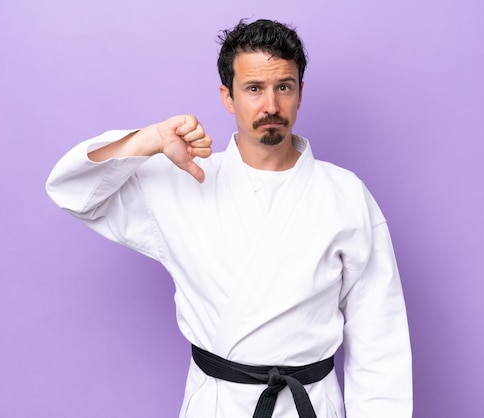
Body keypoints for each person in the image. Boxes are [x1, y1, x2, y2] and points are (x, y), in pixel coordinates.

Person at [46, 18, 412, 418]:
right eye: (254, 88)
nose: (271, 106)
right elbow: (72, 190)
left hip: (311, 405)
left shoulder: (345, 194)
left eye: (283, 87)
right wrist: (147, 140)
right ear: (227, 96)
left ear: (300, 92)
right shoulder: (184, 181)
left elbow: (380, 339)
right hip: (217, 404)